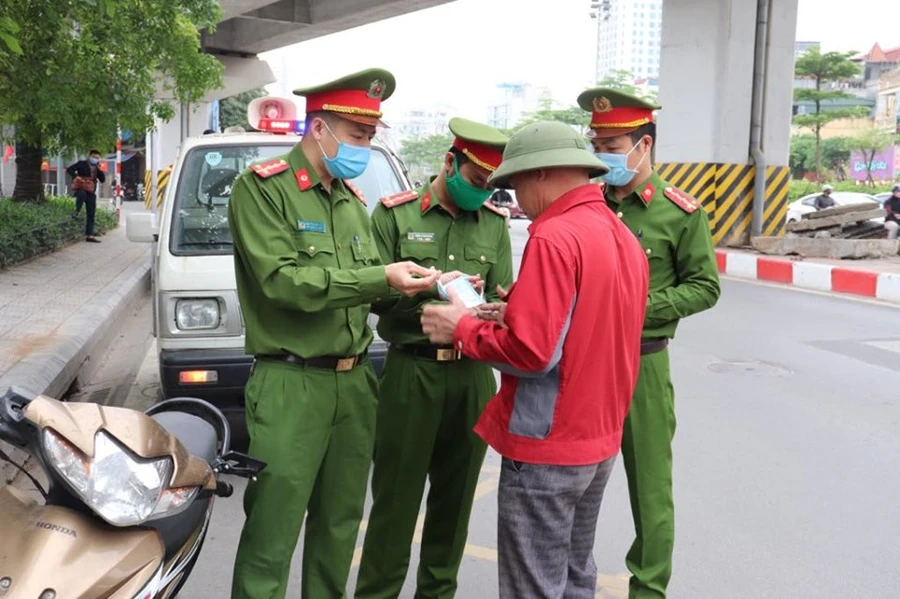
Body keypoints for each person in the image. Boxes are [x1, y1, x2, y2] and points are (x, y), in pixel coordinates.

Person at [227, 68, 441, 599]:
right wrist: (379, 276)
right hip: (290, 382)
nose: (364, 149)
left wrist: (429, 286)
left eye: (370, 138)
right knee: (273, 530)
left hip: (354, 383)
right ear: (319, 129)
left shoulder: (351, 202)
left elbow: (370, 291)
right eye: (357, 136)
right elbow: (283, 284)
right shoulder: (263, 189)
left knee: (340, 526)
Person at [420, 121, 650, 599]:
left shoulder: (553, 236)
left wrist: (460, 328)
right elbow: (593, 323)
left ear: (541, 174)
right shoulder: (621, 234)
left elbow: (533, 354)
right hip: (597, 439)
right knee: (574, 575)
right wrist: (515, 312)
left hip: (549, 443)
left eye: (516, 184)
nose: (516, 200)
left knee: (533, 587)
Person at [356, 118, 513, 599]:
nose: (480, 191)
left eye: (489, 185)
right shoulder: (394, 215)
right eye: (474, 179)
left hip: (472, 376)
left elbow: (506, 306)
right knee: (394, 506)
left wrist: (489, 306)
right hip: (411, 371)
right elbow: (371, 296)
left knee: (454, 506)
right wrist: (428, 299)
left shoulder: (493, 224)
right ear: (450, 162)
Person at [577, 88, 721, 599]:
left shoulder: (679, 212)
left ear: (643, 145)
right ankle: (573, 584)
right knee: (571, 487)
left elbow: (706, 287)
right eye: (595, 144)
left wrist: (635, 308)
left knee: (650, 490)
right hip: (584, 368)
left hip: (642, 367)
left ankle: (648, 590)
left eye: (611, 145)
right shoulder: (586, 204)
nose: (601, 155)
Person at [66, 149, 106, 243]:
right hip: (81, 188)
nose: (95, 159)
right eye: (94, 157)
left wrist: (99, 170)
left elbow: (102, 179)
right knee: (81, 195)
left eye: (97, 158)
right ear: (90, 156)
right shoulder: (82, 163)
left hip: (91, 191)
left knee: (91, 213)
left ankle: (89, 235)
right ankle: (76, 211)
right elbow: (69, 169)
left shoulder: (97, 167)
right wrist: (76, 176)